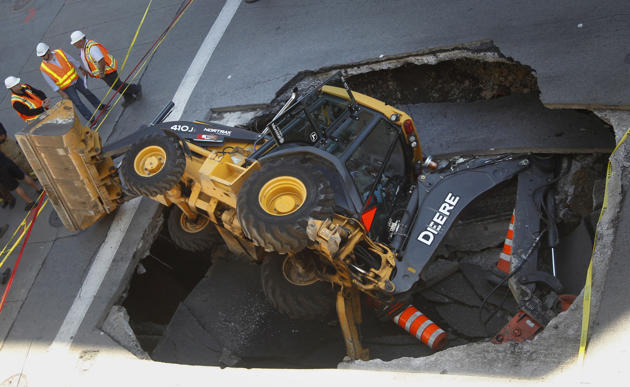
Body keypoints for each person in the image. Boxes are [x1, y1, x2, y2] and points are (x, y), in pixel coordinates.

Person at [37, 42, 105, 125]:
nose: (43, 57)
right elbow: (51, 83)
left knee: (88, 93)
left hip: (76, 79)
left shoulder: (60, 52)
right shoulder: (43, 68)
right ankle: (91, 119)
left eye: (43, 55)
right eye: (41, 56)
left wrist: (82, 69)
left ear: (48, 51)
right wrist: (62, 93)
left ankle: (100, 106)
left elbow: (72, 60)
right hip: (67, 88)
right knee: (78, 103)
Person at [70, 31, 142, 107]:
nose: (74, 45)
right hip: (104, 73)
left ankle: (136, 89)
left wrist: (101, 72)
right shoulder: (84, 48)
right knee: (116, 86)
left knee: (117, 85)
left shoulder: (91, 48)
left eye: (75, 43)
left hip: (108, 72)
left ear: (80, 41)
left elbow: (101, 60)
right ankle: (128, 97)